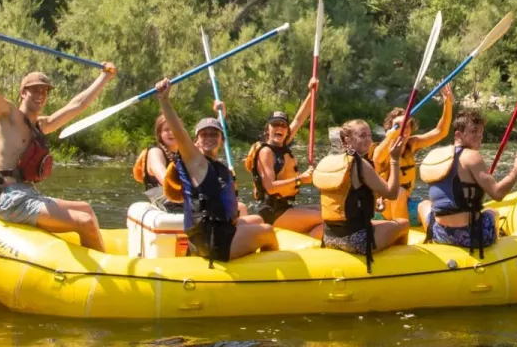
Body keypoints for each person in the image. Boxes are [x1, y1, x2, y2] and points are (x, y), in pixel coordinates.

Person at [0, 26, 115, 251]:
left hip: (29, 195)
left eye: (44, 91)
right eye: (35, 90)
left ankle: (98, 255)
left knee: (86, 208)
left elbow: (77, 105)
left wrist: (104, 77)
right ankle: (101, 269)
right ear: (23, 93)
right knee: (84, 221)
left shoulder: (41, 125)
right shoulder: (8, 116)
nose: (40, 95)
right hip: (11, 200)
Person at [154, 76, 279, 264]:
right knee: (268, 231)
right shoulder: (196, 162)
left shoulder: (215, 165)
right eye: (203, 135)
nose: (209, 138)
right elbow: (179, 133)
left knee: (257, 220)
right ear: (196, 141)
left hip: (213, 232)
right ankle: (265, 273)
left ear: (222, 140)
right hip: (213, 241)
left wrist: (221, 115)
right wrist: (164, 100)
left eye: (214, 134)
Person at [417, 109, 517, 255]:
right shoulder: (472, 156)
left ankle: (432, 237)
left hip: (440, 234)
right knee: (493, 212)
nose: (480, 135)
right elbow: (498, 194)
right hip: (470, 236)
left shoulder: (435, 155)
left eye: (481, 131)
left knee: (424, 204)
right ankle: (494, 250)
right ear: (458, 135)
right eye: (474, 131)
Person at [312, 118, 409, 270]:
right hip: (355, 240)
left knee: (379, 224)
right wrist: (394, 160)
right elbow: (392, 194)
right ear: (347, 139)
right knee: (403, 224)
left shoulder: (329, 160)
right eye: (362, 135)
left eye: (370, 135)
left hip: (330, 237)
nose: (368, 139)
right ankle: (400, 268)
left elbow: (344, 198)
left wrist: (374, 203)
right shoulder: (359, 163)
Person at [243, 84, 322, 234]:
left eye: (283, 125)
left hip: (284, 206)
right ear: (267, 130)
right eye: (275, 125)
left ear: (287, 131)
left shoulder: (282, 145)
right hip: (271, 212)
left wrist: (312, 92)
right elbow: (270, 187)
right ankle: (315, 242)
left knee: (326, 209)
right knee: (325, 218)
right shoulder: (265, 152)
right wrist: (300, 180)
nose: (279, 128)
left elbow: (299, 119)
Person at [370, 84, 454, 223]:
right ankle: (398, 229)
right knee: (399, 192)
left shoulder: (412, 144)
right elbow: (377, 158)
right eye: (400, 126)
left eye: (407, 125)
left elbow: (441, 132)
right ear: (391, 129)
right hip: (384, 207)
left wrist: (448, 104)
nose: (405, 129)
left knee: (434, 207)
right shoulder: (385, 149)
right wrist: (392, 134)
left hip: (406, 203)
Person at [133, 113, 186, 214]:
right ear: (159, 133)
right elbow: (166, 180)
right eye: (167, 129)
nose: (172, 132)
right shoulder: (155, 152)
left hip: (182, 197)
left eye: (175, 128)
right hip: (164, 199)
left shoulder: (184, 154)